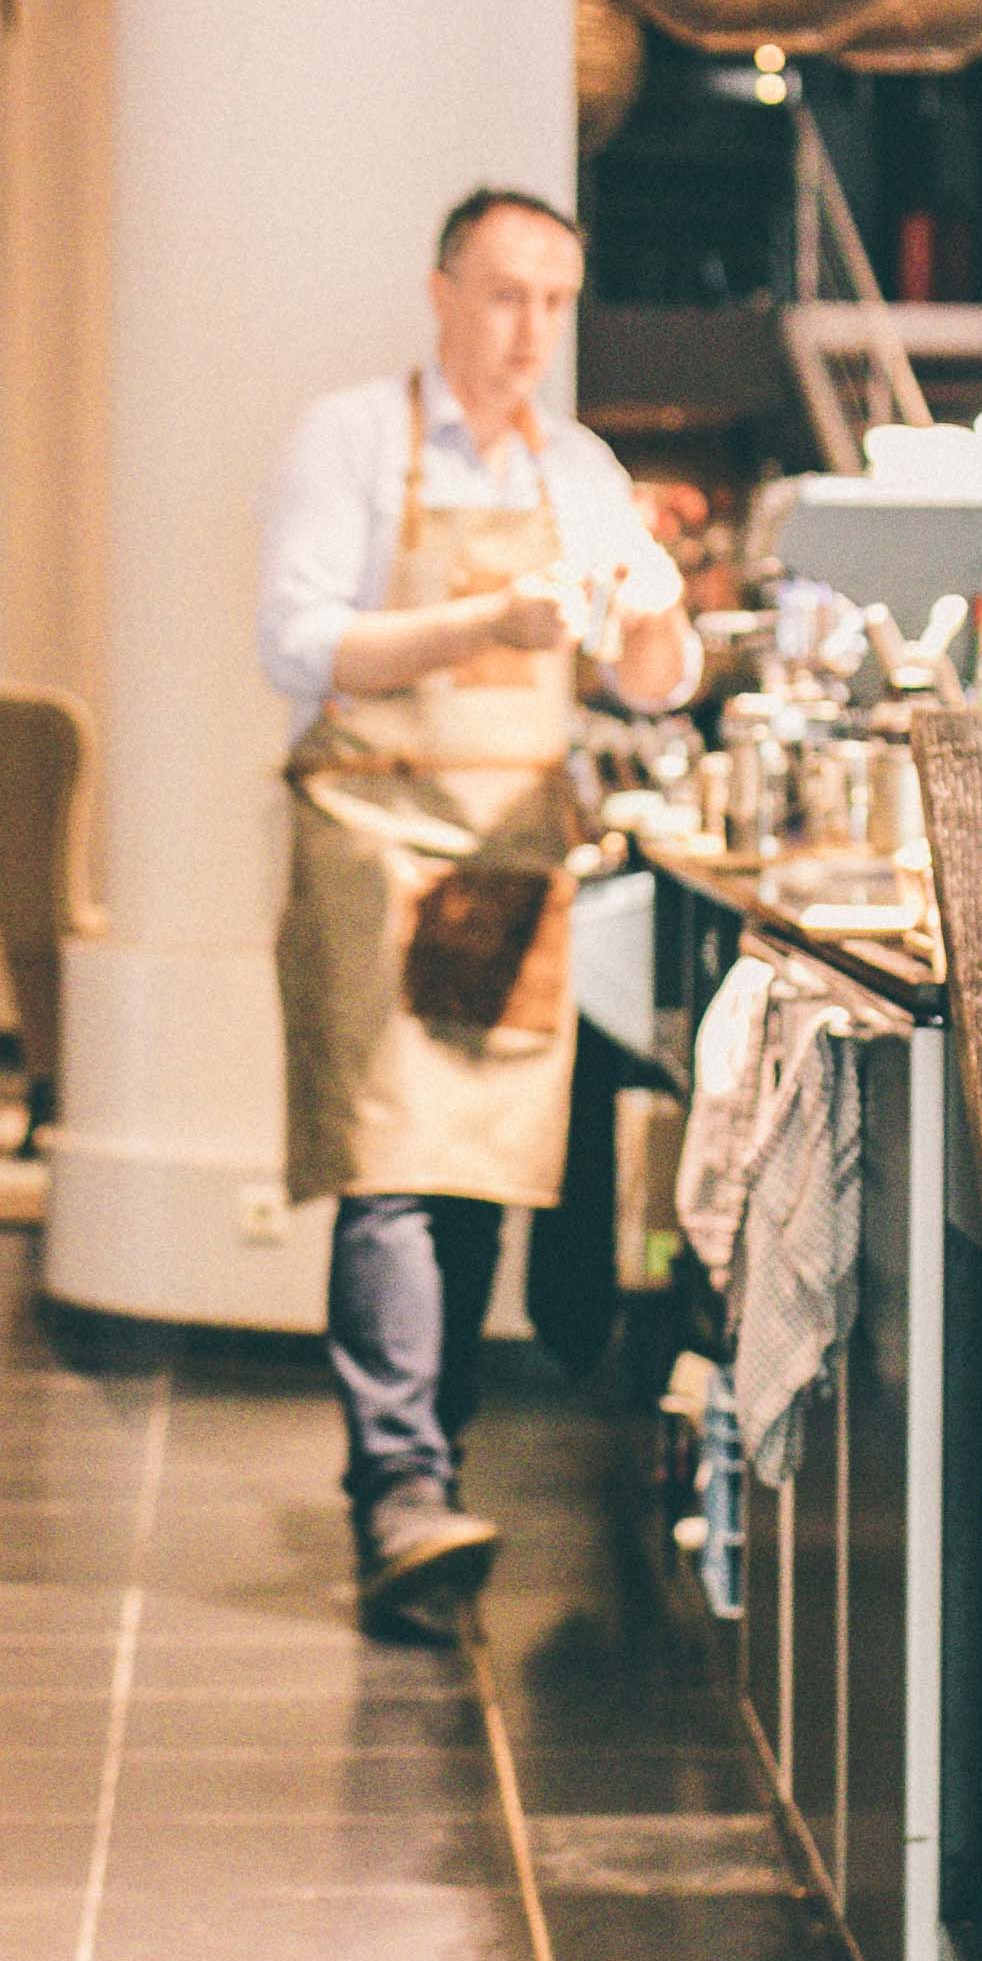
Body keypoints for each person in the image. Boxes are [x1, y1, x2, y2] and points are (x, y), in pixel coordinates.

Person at [256, 186, 695, 1639]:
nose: (532, 332)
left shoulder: (578, 469)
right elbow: (301, 642)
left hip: (507, 852)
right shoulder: (352, 441)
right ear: (442, 292)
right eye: (507, 296)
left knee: (475, 1173)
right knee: (390, 1160)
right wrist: (484, 622)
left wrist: (652, 615)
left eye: (558, 301)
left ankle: (424, 1482)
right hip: (379, 836)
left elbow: (651, 683)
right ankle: (401, 1488)